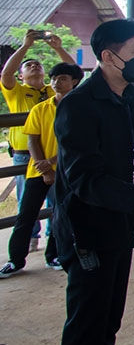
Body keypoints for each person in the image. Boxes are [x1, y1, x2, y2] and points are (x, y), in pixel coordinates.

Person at [51, 19, 134, 345]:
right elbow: (85, 179)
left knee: (108, 322)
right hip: (88, 231)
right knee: (87, 327)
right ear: (108, 56)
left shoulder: (124, 100)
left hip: (119, 225)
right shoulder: (77, 106)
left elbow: (128, 163)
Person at [0, 62, 83, 278]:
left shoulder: (80, 108)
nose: (56, 82)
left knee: (60, 214)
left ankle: (53, 255)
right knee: (25, 215)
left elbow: (77, 143)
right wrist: (44, 167)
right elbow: (32, 141)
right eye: (54, 78)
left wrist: (53, 161)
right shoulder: (41, 108)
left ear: (74, 81)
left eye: (62, 78)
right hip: (38, 171)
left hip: (66, 171)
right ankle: (15, 260)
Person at [2, 29, 76, 251]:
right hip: (26, 155)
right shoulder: (16, 91)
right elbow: (6, 74)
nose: (34, 66)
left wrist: (58, 48)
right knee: (28, 204)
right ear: (21, 75)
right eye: (28, 65)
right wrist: (25, 46)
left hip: (56, 156)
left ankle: (53, 246)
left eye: (38, 65)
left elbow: (73, 74)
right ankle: (27, 245)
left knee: (58, 203)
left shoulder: (53, 92)